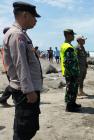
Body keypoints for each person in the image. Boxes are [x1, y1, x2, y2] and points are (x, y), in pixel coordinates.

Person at [3, 1, 43, 139]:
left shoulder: (21, 33)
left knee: (28, 127)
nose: (36, 20)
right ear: (25, 15)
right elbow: (21, 64)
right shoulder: (16, 34)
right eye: (34, 16)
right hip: (24, 92)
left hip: (26, 89)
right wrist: (29, 90)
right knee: (23, 130)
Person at [60, 29, 81, 112]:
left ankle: (72, 103)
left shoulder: (67, 45)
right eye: (72, 35)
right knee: (71, 89)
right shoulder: (67, 47)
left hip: (70, 72)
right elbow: (68, 62)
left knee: (72, 88)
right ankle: (69, 106)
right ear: (68, 35)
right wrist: (74, 72)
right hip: (71, 72)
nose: (74, 36)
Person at [0, 27, 12, 107]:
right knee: (13, 84)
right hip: (10, 68)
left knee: (14, 84)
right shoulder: (7, 42)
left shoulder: (7, 41)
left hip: (9, 68)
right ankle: (2, 99)